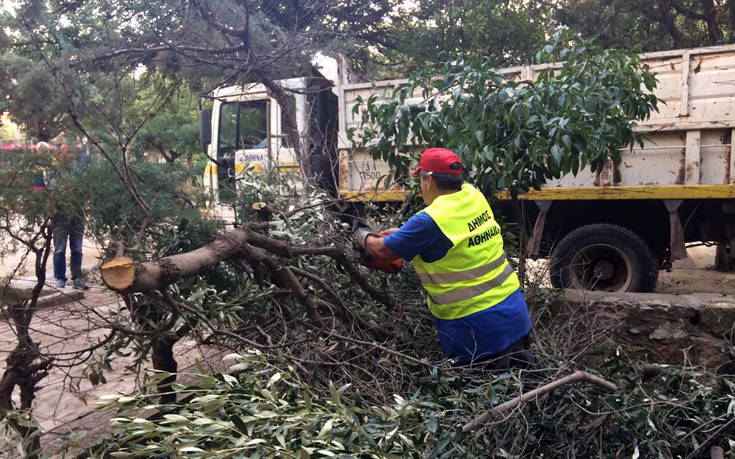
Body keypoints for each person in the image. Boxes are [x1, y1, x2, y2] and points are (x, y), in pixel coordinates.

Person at [354, 147, 534, 369]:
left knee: (482, 399)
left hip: (478, 332)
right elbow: (453, 235)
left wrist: (361, 236)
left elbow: (381, 251)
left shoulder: (429, 221)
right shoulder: (473, 195)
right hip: (515, 315)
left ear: (428, 180)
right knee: (528, 389)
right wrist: (404, 236)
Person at [37, 141, 90, 290]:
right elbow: (54, 190)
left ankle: (77, 278)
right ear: (59, 155)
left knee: (77, 248)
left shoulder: (78, 170)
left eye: (71, 153)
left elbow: (83, 187)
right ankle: (60, 277)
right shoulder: (52, 171)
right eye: (66, 152)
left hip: (78, 214)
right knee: (59, 249)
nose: (69, 155)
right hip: (60, 215)